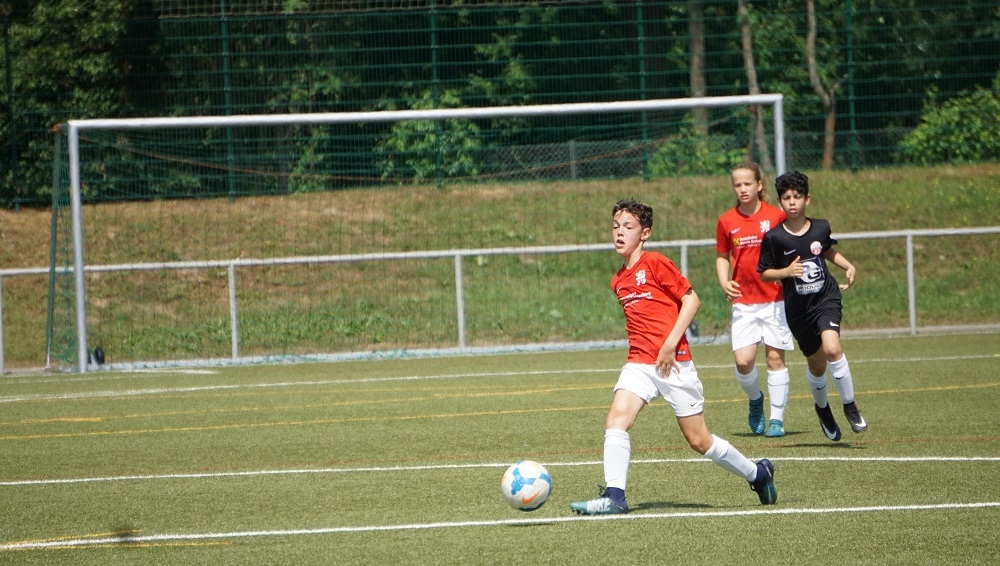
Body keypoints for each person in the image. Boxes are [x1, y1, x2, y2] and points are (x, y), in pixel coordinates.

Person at [570, 198, 777, 515]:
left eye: (628, 226)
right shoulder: (618, 280)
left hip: (674, 363)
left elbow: (692, 301)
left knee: (699, 440)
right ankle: (615, 497)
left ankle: (757, 474)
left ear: (645, 234)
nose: (619, 232)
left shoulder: (655, 263)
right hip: (639, 363)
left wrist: (669, 345)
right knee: (617, 419)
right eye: (615, 226)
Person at [757, 171, 868, 441]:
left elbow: (827, 250)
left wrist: (848, 265)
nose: (792, 202)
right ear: (780, 202)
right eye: (786, 198)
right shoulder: (774, 238)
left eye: (797, 197)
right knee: (817, 367)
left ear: (807, 199)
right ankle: (822, 408)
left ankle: (850, 405)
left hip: (825, 298)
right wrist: (786, 272)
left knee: (832, 348)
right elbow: (765, 273)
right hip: (799, 311)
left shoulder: (820, 228)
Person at [715, 162, 793, 438]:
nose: (743, 189)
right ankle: (756, 398)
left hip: (775, 300)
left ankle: (777, 421)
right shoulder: (726, 220)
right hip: (744, 302)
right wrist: (724, 282)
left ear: (759, 185)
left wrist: (787, 273)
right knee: (743, 362)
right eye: (737, 184)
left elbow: (791, 247)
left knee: (774, 360)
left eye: (748, 183)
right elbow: (722, 256)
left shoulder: (776, 216)